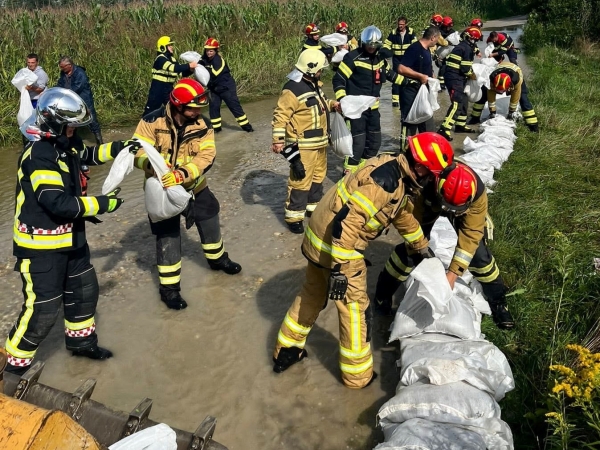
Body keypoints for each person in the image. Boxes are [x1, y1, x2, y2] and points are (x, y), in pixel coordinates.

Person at [4, 87, 141, 375]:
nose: (74, 132)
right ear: (54, 123)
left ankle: (81, 345)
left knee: (83, 291)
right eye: (70, 127)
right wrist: (102, 204)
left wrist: (119, 148)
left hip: (72, 239)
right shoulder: (39, 154)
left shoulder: (65, 145)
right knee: (43, 308)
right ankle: (12, 367)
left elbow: (86, 155)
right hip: (40, 247)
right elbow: (56, 202)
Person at [272, 150, 433, 388]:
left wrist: (420, 246)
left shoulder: (391, 167)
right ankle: (357, 378)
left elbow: (399, 215)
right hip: (339, 248)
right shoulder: (386, 182)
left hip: (318, 239)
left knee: (312, 294)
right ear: (420, 168)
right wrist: (339, 268)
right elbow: (348, 223)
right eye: (431, 174)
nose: (431, 180)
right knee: (355, 310)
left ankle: (286, 352)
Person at [132, 79, 241, 310]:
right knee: (168, 236)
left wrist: (181, 175)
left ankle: (217, 260)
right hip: (161, 191)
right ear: (179, 105)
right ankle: (169, 290)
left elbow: (207, 156)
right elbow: (137, 153)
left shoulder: (203, 124)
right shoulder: (151, 121)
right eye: (193, 107)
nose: (198, 112)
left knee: (209, 215)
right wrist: (154, 168)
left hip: (194, 187)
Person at [374, 162, 515, 329]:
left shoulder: (477, 194)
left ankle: (499, 302)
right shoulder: (425, 184)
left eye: (456, 210)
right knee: (409, 252)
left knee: (479, 257)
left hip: (462, 208)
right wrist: (420, 249)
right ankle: (382, 294)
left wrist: (453, 274)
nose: (452, 213)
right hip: (428, 203)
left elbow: (470, 235)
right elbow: (412, 226)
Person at [271, 49, 340, 234]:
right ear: (310, 69)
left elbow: (322, 102)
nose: (321, 72)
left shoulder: (313, 84)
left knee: (318, 177)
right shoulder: (291, 89)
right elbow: (280, 116)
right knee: (300, 180)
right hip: (303, 145)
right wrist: (278, 140)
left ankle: (313, 207)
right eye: (319, 69)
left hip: (320, 143)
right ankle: (294, 216)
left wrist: (334, 105)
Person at [333, 25, 406, 174]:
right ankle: (347, 175)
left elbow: (391, 75)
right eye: (369, 45)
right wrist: (342, 100)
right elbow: (338, 80)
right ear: (362, 43)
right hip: (356, 111)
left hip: (373, 110)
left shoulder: (379, 58)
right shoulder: (353, 58)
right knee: (358, 145)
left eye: (374, 46)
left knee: (374, 143)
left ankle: (362, 171)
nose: (371, 48)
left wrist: (410, 83)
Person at [437, 27, 481, 142]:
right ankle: (444, 128)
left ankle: (460, 125)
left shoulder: (464, 46)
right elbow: (466, 68)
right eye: (474, 40)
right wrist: (474, 76)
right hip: (454, 78)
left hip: (458, 78)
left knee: (464, 101)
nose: (475, 43)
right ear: (468, 38)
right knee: (457, 103)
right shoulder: (465, 48)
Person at [398, 26, 440, 148]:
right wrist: (420, 76)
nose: (437, 41)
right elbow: (401, 68)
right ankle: (404, 154)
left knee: (428, 126)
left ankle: (428, 153)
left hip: (423, 93)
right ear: (433, 38)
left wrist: (431, 75)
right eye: (437, 39)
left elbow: (425, 66)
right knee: (410, 124)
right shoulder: (415, 48)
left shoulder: (427, 50)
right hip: (410, 92)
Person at [468, 61, 539, 132]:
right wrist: (492, 111)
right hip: (500, 71)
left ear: (509, 86)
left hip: (515, 71)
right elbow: (491, 95)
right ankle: (475, 118)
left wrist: (511, 112)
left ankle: (533, 126)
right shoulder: (492, 79)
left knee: (523, 99)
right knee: (483, 95)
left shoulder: (516, 81)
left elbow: (515, 97)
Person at [200, 38, 253, 133]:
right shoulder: (204, 59)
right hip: (213, 88)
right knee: (213, 109)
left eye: (211, 51)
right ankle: (217, 131)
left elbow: (214, 74)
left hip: (226, 87)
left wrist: (204, 69)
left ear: (216, 51)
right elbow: (198, 67)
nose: (209, 53)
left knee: (235, 108)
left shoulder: (218, 60)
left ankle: (248, 129)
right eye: (207, 50)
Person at [143, 36, 198, 118]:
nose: (172, 47)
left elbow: (180, 73)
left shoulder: (172, 59)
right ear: (163, 47)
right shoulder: (160, 59)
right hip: (157, 89)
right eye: (169, 45)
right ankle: (143, 128)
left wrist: (190, 70)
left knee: (174, 110)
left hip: (168, 89)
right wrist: (189, 65)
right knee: (150, 112)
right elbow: (173, 68)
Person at [382, 16, 417, 108]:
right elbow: (386, 44)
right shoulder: (393, 33)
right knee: (395, 78)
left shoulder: (411, 32)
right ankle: (395, 100)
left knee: (408, 76)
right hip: (396, 59)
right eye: (399, 24)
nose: (400, 26)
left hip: (407, 59)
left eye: (402, 24)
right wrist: (385, 53)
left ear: (406, 24)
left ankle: (407, 96)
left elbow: (415, 45)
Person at [436, 16, 455, 90]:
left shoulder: (452, 32)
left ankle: (446, 83)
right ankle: (441, 85)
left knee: (449, 69)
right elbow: (435, 44)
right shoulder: (439, 32)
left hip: (449, 54)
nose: (449, 28)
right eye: (448, 26)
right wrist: (436, 57)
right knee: (442, 68)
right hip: (440, 54)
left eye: (450, 26)